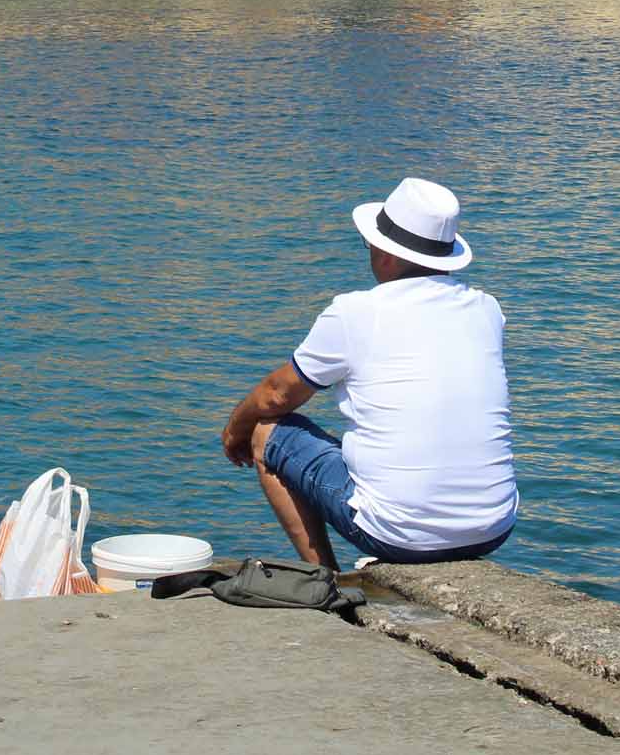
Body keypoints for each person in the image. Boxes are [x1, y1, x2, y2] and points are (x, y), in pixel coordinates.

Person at [221, 177, 517, 571]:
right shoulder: (487, 310)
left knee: (267, 433)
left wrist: (234, 431)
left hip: (397, 535)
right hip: (492, 528)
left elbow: (276, 395)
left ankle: (325, 579)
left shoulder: (357, 312)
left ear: (387, 256)